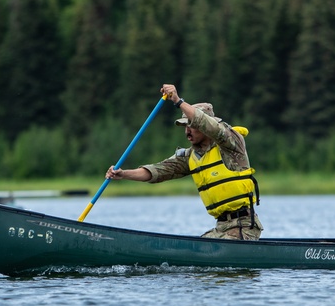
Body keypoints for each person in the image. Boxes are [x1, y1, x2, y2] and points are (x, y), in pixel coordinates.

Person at [105, 84, 263, 240]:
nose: (187, 130)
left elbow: (209, 125)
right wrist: (123, 174)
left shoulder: (231, 143)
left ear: (205, 127)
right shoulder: (190, 157)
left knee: (204, 258)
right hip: (221, 228)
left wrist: (178, 101)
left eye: (191, 125)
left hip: (244, 227)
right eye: (184, 125)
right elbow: (157, 171)